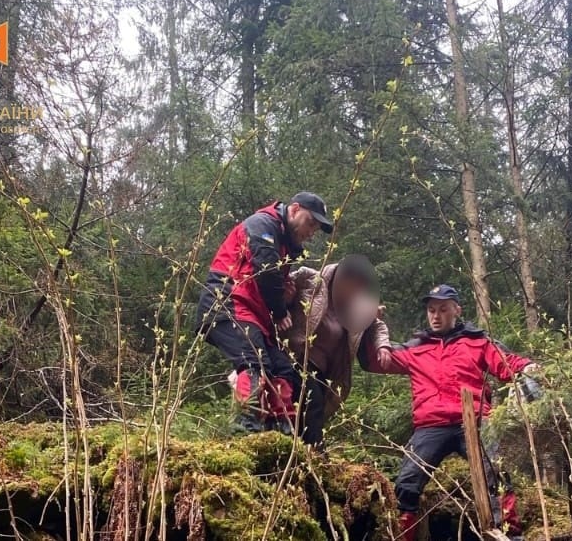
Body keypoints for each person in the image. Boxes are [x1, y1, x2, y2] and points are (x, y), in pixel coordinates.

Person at [358, 284, 540, 541]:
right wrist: (370, 325)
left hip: (474, 420)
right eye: (432, 310)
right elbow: (376, 361)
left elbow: (506, 363)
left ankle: (511, 535)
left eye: (443, 309)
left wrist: (529, 367)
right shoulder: (415, 348)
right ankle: (403, 536)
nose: (436, 315)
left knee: (496, 475)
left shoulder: (476, 341)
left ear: (457, 310)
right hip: (430, 425)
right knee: (407, 482)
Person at [197, 192, 333, 434]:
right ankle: (245, 429)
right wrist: (280, 311)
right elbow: (267, 272)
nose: (311, 232)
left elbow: (269, 281)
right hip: (227, 301)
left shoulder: (285, 243)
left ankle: (280, 431)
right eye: (311, 222)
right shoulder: (263, 224)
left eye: (316, 228)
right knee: (254, 363)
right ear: (294, 209)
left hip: (252, 313)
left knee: (282, 369)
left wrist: (285, 295)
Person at [283, 254, 391, 447]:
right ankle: (315, 453)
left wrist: (382, 346)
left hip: (326, 372)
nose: (354, 292)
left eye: (360, 288)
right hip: (296, 358)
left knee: (313, 410)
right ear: (340, 278)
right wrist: (286, 297)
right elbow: (280, 283)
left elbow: (376, 326)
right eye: (352, 286)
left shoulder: (356, 308)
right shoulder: (310, 279)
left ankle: (298, 452)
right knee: (312, 403)